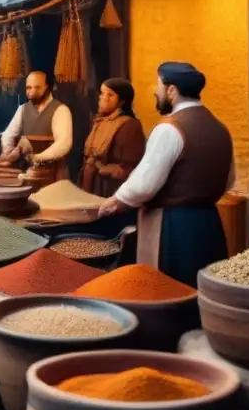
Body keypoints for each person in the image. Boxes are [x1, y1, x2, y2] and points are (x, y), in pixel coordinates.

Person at [98, 63, 233, 287]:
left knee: (170, 288)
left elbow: (144, 185)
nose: (154, 90)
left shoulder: (170, 128)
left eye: (158, 84)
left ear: (171, 91)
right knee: (205, 291)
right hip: (209, 223)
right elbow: (229, 180)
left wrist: (116, 201)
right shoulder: (220, 128)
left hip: (173, 227)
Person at [79, 78, 146, 198]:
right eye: (102, 93)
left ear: (122, 101)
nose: (103, 98)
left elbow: (132, 164)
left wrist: (110, 170)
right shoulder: (98, 122)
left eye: (110, 95)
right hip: (91, 183)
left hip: (112, 189)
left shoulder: (130, 125)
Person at [0, 71, 72, 179]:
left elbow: (64, 143)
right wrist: (8, 151)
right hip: (29, 172)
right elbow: (8, 134)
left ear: (47, 87)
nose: (32, 92)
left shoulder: (61, 110)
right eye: (29, 88)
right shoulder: (23, 109)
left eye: (37, 87)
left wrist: (38, 157)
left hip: (54, 173)